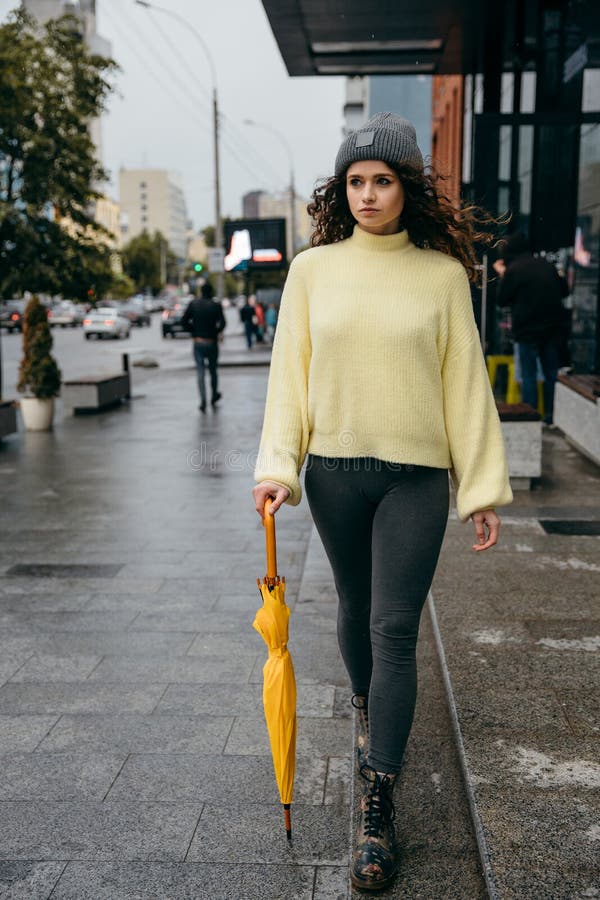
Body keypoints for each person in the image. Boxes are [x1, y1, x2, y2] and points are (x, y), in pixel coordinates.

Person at [252, 112, 513, 893]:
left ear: (407, 189)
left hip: (415, 478)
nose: (368, 195)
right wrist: (277, 469)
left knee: (395, 626)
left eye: (383, 181)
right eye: (356, 182)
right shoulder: (312, 270)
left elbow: (465, 385)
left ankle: (378, 798)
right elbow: (288, 379)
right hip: (334, 472)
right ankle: (371, 715)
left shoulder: (440, 275)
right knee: (356, 610)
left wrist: (480, 487)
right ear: (344, 191)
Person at [494, 232, 569, 424]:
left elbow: (502, 300)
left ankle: (531, 418)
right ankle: (552, 417)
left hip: (527, 331)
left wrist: (503, 274)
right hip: (552, 329)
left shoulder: (514, 270)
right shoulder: (546, 265)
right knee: (551, 374)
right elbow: (565, 290)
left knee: (529, 376)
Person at [181, 281, 225, 412]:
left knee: (200, 372)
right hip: (212, 342)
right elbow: (223, 323)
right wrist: (215, 332)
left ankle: (203, 400)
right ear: (211, 292)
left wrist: (193, 331)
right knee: (213, 371)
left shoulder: (193, 304)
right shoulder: (216, 305)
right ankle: (214, 395)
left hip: (198, 342)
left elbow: (184, 321)